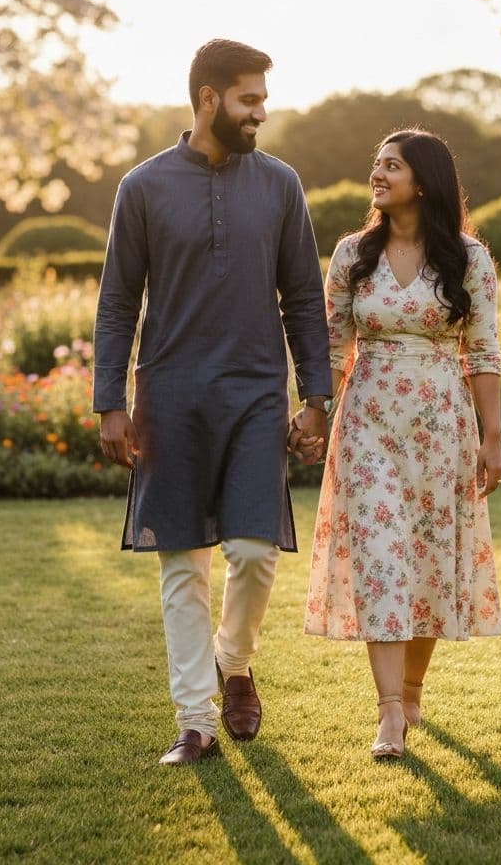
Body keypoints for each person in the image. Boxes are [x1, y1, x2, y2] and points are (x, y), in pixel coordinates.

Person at [93, 39, 331, 765]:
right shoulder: (142, 187)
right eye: (249, 99)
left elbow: (303, 297)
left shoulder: (281, 184)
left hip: (257, 393)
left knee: (255, 552)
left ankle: (236, 660)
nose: (262, 111)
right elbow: (116, 303)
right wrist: (109, 399)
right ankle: (194, 721)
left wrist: (315, 395)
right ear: (208, 99)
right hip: (169, 394)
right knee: (181, 564)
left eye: (262, 98)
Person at [304, 129, 501, 759]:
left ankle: (413, 691)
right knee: (382, 557)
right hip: (367, 424)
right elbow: (333, 345)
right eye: (377, 164)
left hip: (442, 426)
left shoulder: (468, 259)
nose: (378, 173)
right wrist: (313, 412)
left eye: (392, 165)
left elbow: (484, 350)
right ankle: (390, 713)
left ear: (425, 180)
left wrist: (492, 438)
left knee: (426, 562)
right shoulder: (350, 255)